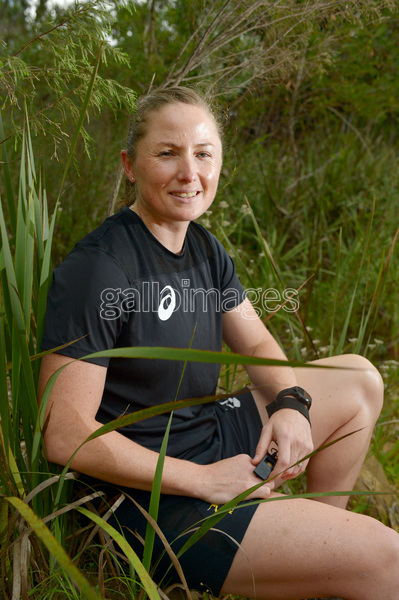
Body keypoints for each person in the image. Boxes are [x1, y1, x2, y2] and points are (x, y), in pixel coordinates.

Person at [38, 86, 399, 600]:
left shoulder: (204, 248)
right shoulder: (101, 268)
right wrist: (202, 481)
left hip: (205, 437)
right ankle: (335, 562)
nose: (190, 173)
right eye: (168, 153)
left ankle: (316, 557)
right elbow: (66, 434)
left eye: (204, 154)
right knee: (390, 560)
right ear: (129, 165)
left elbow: (256, 341)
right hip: (148, 501)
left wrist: (292, 406)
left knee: (359, 379)